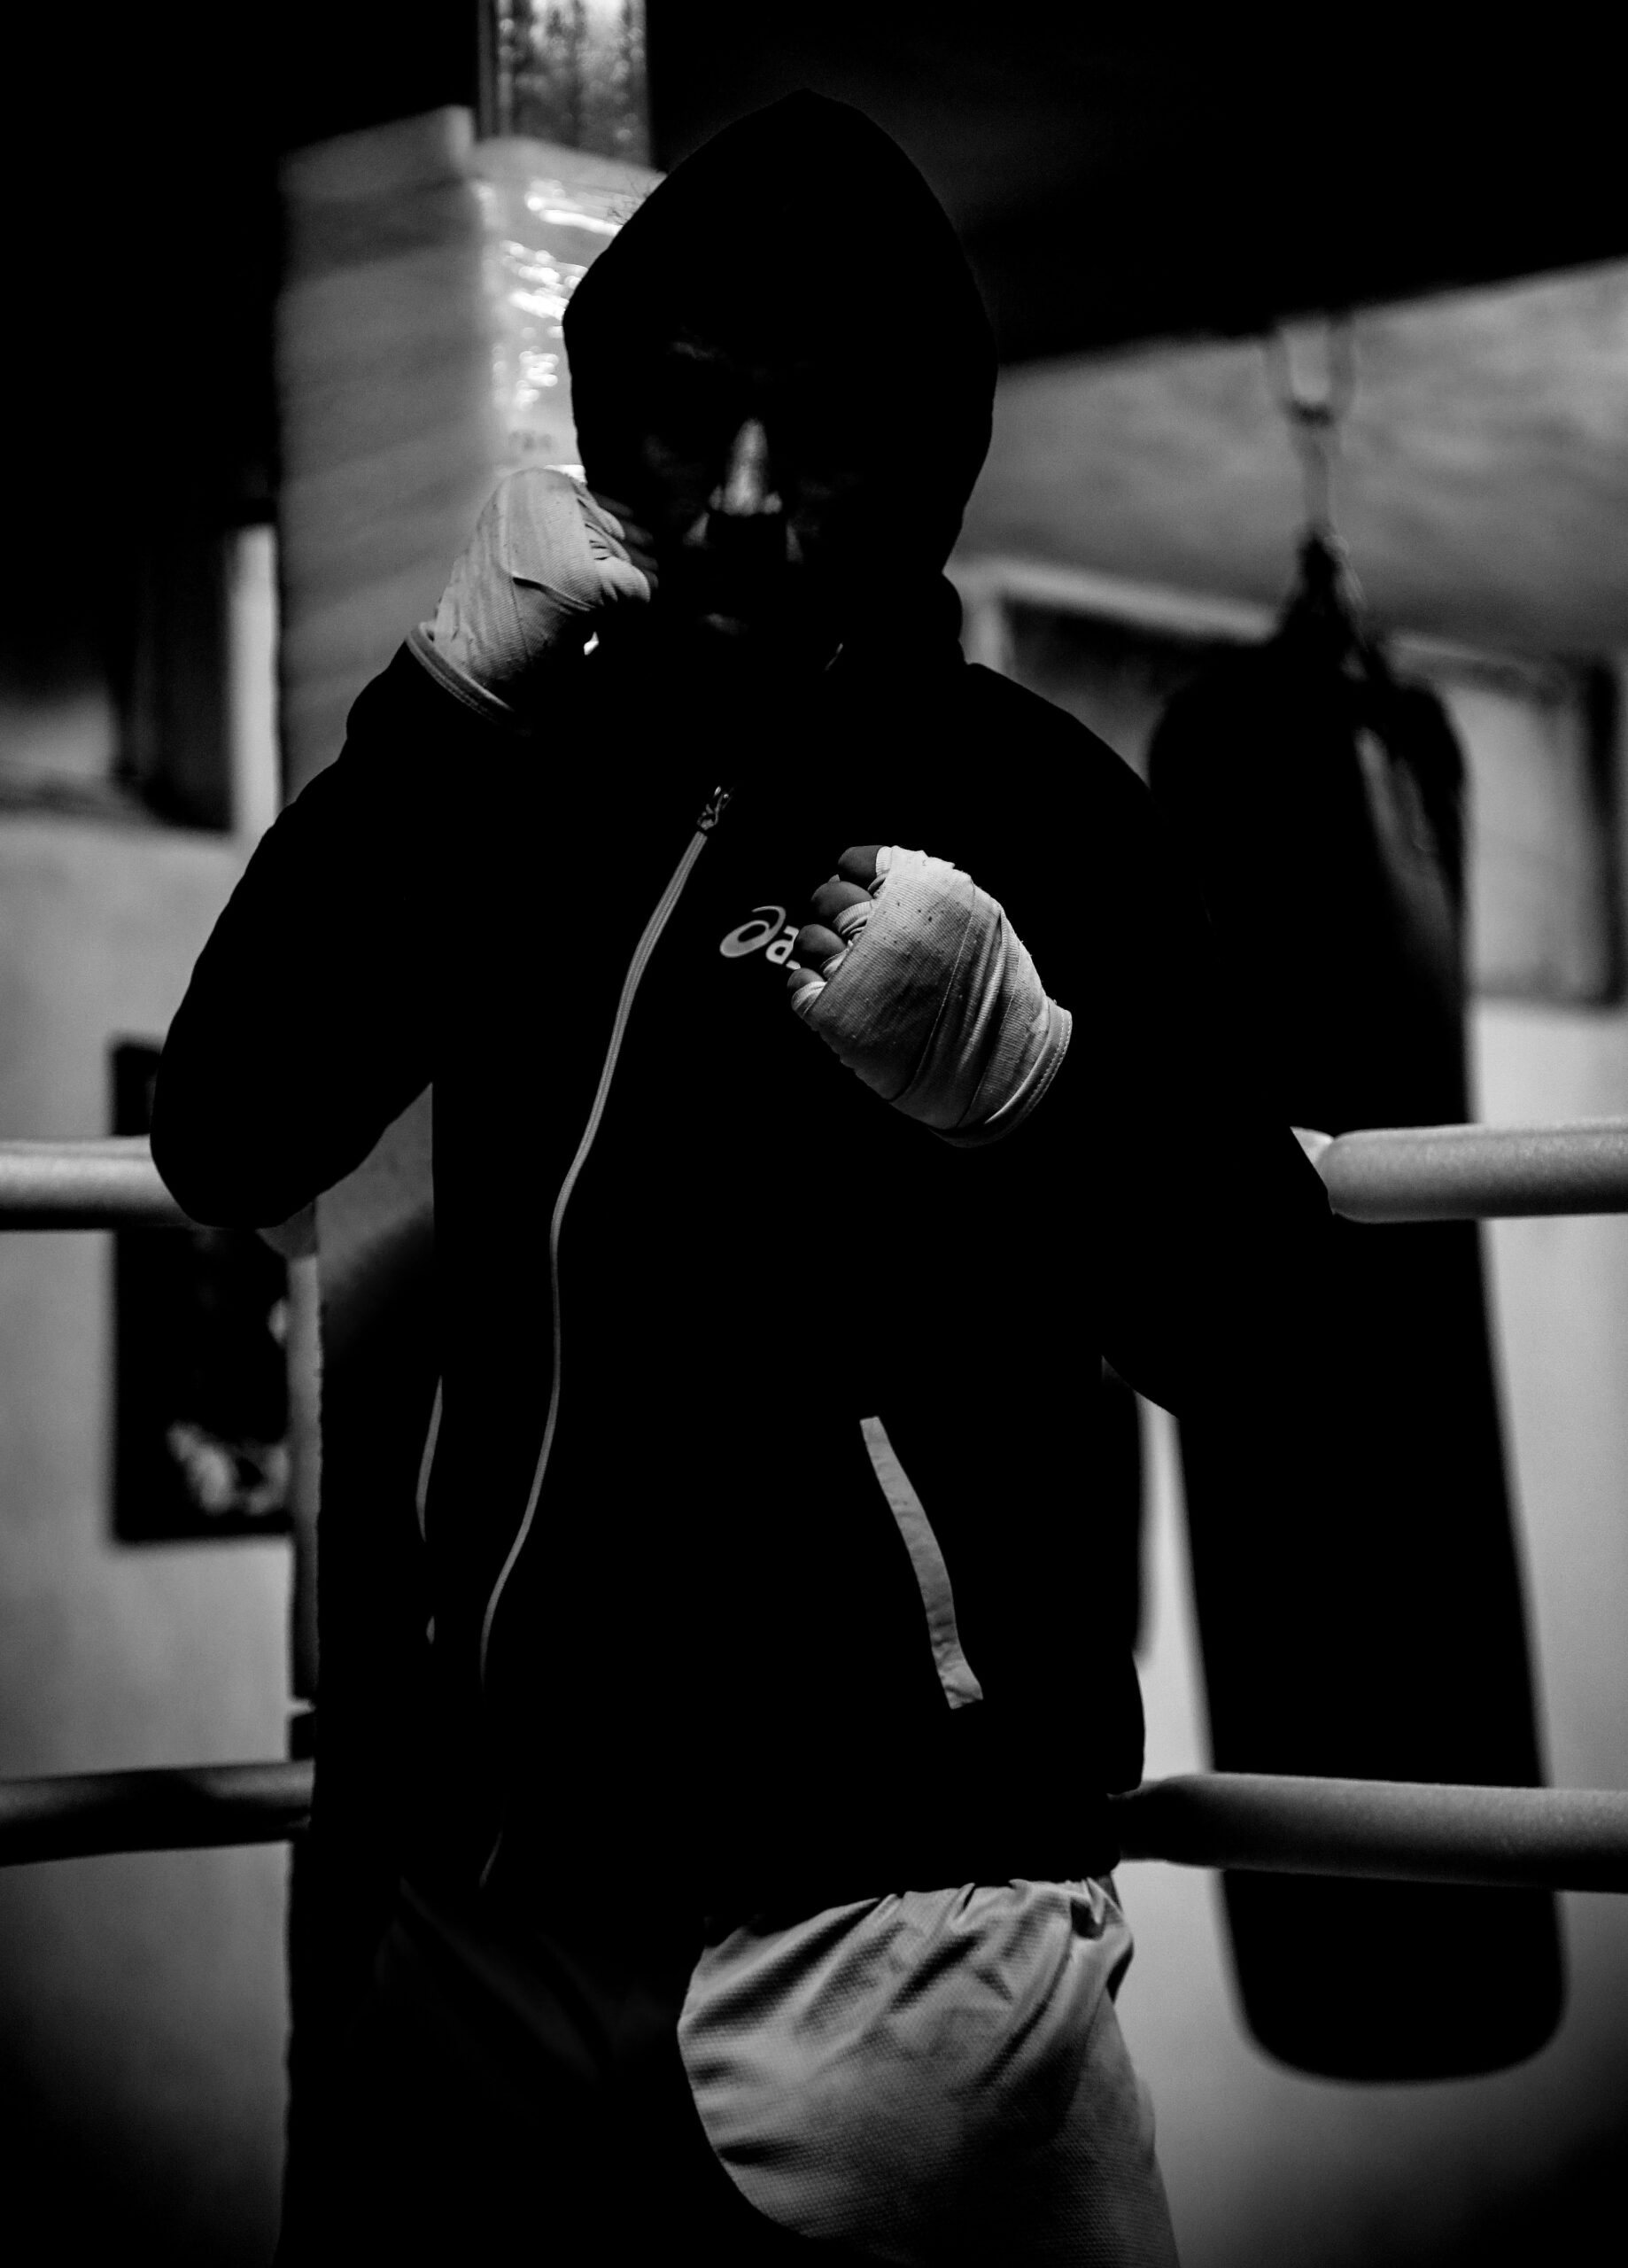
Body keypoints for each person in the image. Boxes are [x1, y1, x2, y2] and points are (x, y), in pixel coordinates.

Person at [153, 91, 1331, 2267]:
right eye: (689, 417)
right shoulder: (517, 777)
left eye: (824, 430)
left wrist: (1030, 1089)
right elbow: (230, 1130)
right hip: (492, 1916)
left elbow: (1269, 1333)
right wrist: (434, 705)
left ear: (931, 456)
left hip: (889, 1947)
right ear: (608, 422)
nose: (748, 496)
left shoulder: (1037, 802)